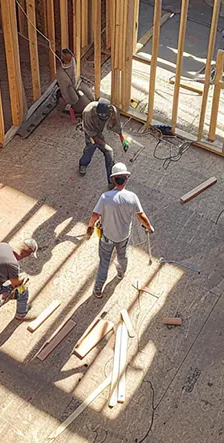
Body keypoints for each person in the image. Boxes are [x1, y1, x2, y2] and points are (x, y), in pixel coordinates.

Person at [85, 163, 155, 297]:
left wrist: (90, 229)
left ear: (113, 180)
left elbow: (95, 215)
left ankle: (98, 289)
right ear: (127, 178)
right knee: (122, 256)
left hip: (107, 237)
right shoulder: (132, 197)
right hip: (123, 236)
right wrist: (149, 227)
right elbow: (141, 216)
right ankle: (120, 273)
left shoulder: (105, 197)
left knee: (104, 262)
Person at [79, 99, 130, 183]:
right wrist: (106, 146)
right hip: (90, 132)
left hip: (99, 130)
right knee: (91, 146)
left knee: (109, 155)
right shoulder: (88, 112)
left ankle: (111, 179)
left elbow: (117, 127)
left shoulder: (113, 111)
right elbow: (93, 136)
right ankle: (83, 164)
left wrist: (123, 140)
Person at [55, 49, 94, 119]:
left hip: (81, 107)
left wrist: (68, 103)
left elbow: (72, 99)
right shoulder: (74, 64)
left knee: (59, 96)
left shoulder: (60, 73)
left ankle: (71, 112)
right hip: (88, 100)